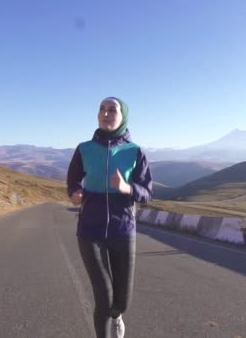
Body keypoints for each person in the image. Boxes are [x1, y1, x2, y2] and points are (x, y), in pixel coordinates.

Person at [67, 96, 153, 338]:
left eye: (112, 109)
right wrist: (74, 193)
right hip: (89, 231)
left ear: (122, 116)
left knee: (121, 303)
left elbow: (147, 192)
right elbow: (72, 181)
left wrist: (128, 188)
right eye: (101, 109)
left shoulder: (135, 152)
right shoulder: (84, 149)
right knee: (103, 298)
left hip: (123, 231)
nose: (105, 113)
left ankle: (117, 317)